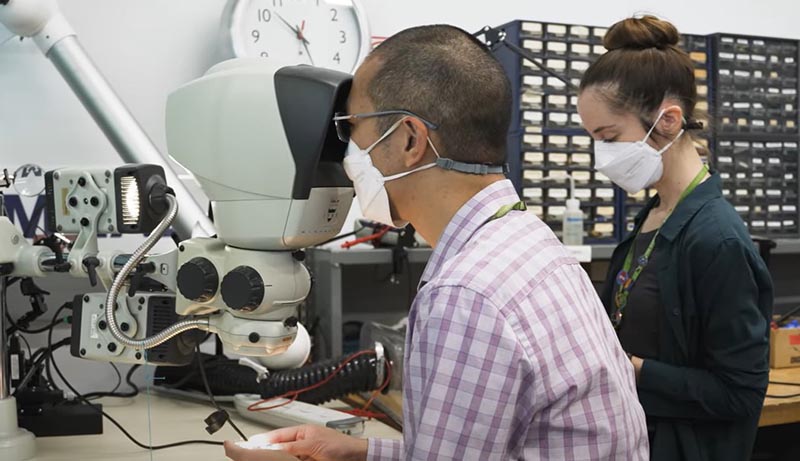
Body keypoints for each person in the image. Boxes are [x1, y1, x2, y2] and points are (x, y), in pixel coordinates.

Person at [225, 24, 648, 461]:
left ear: (409, 139)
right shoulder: (526, 241)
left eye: (351, 129)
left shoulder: (466, 294)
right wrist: (358, 453)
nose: (348, 154)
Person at [576, 15, 774, 461]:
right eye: (594, 139)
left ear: (667, 120)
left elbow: (739, 393)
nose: (601, 156)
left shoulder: (717, 240)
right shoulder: (653, 217)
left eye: (609, 137)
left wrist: (634, 370)